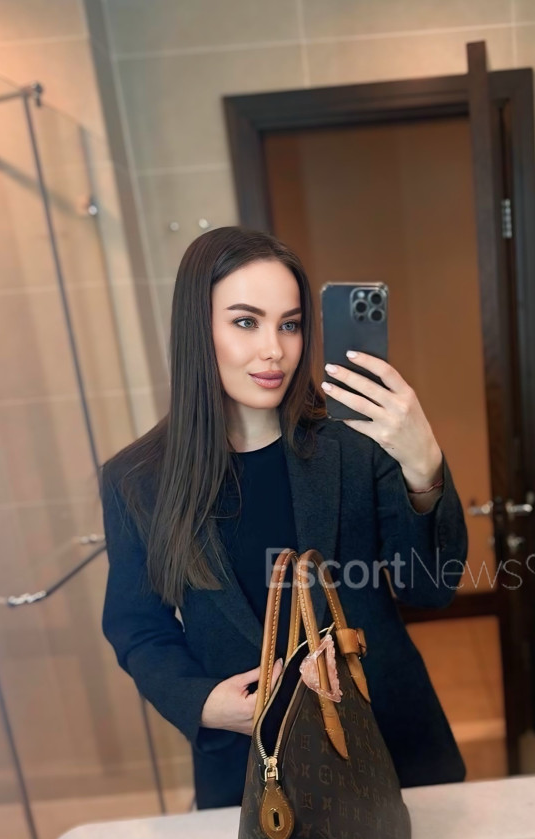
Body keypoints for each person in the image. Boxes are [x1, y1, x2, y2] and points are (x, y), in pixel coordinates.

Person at [99, 226, 469, 808]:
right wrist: (203, 703)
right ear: (198, 328)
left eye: (290, 325)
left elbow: (430, 588)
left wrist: (424, 465)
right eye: (246, 322)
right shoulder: (138, 479)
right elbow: (137, 627)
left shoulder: (355, 445)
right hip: (249, 766)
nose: (274, 349)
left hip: (392, 744)